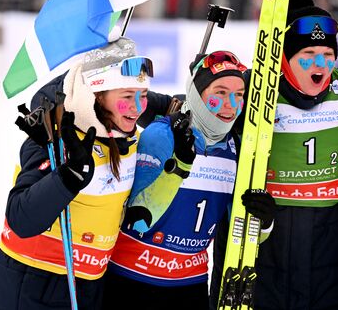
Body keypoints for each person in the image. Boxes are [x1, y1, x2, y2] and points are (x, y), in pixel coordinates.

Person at [209, 0, 338, 310]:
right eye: (308, 54)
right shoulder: (251, 90)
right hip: (261, 247)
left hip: (331, 258)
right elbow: (197, 117)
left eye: (327, 54)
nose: (320, 64)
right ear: (284, 56)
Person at [0, 37, 152, 310]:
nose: (137, 107)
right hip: (33, 283)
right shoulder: (53, 136)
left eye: (142, 96)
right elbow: (20, 217)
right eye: (126, 98)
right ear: (96, 95)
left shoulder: (125, 136)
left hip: (87, 284)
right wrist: (68, 177)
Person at [102, 51, 276, 309]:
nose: (231, 104)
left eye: (239, 95)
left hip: (190, 285)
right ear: (196, 94)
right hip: (134, 279)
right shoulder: (162, 134)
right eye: (220, 92)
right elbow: (137, 220)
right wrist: (179, 169)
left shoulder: (236, 148)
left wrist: (263, 223)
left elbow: (237, 235)